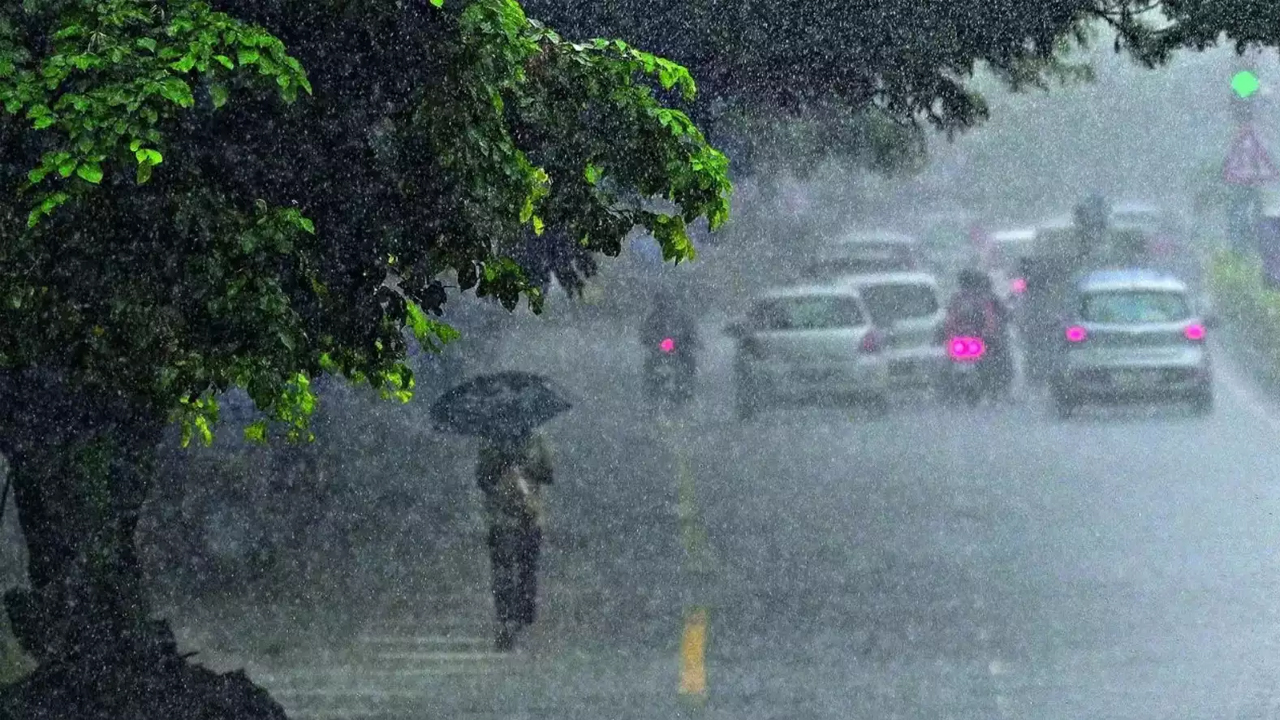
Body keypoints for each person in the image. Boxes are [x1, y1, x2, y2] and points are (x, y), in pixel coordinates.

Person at [476, 426, 554, 651]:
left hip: (529, 517)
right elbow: (482, 478)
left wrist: (527, 466)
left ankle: (521, 620)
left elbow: (548, 474)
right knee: (503, 572)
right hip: (500, 519)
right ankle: (505, 620)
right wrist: (500, 464)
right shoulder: (488, 440)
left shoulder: (537, 438)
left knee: (526, 570)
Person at [944, 269, 1012, 397]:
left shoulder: (973, 299)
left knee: (997, 358)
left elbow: (990, 319)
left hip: (975, 340)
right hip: (970, 340)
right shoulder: (974, 299)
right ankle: (997, 387)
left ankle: (997, 387)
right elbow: (950, 321)